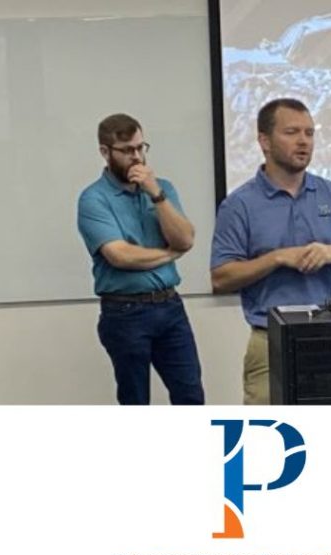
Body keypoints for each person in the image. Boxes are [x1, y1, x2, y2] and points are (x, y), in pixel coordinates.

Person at [210, 97, 331, 404]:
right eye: (292, 132)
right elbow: (221, 278)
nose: (303, 142)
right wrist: (276, 258)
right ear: (264, 141)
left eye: (309, 133)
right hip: (270, 342)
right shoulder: (239, 205)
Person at [76, 112, 204, 405]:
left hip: (170, 306)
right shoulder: (94, 198)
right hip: (125, 312)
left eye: (141, 148)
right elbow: (120, 255)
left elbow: (185, 239)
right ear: (105, 152)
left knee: (191, 395)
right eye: (127, 150)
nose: (136, 157)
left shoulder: (162, 188)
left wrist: (156, 194)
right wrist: (170, 254)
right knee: (135, 402)